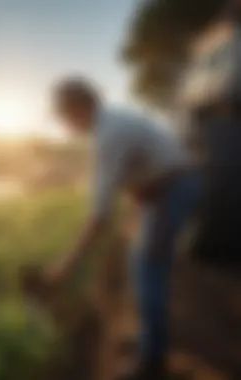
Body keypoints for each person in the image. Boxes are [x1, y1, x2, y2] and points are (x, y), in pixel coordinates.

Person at [44, 76, 202, 379]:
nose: (65, 125)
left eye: (63, 116)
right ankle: (149, 341)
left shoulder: (109, 134)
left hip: (171, 190)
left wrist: (66, 265)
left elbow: (100, 213)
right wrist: (136, 212)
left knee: (148, 269)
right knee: (139, 263)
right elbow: (135, 173)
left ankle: (153, 363)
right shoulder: (111, 123)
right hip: (165, 191)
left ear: (78, 108)